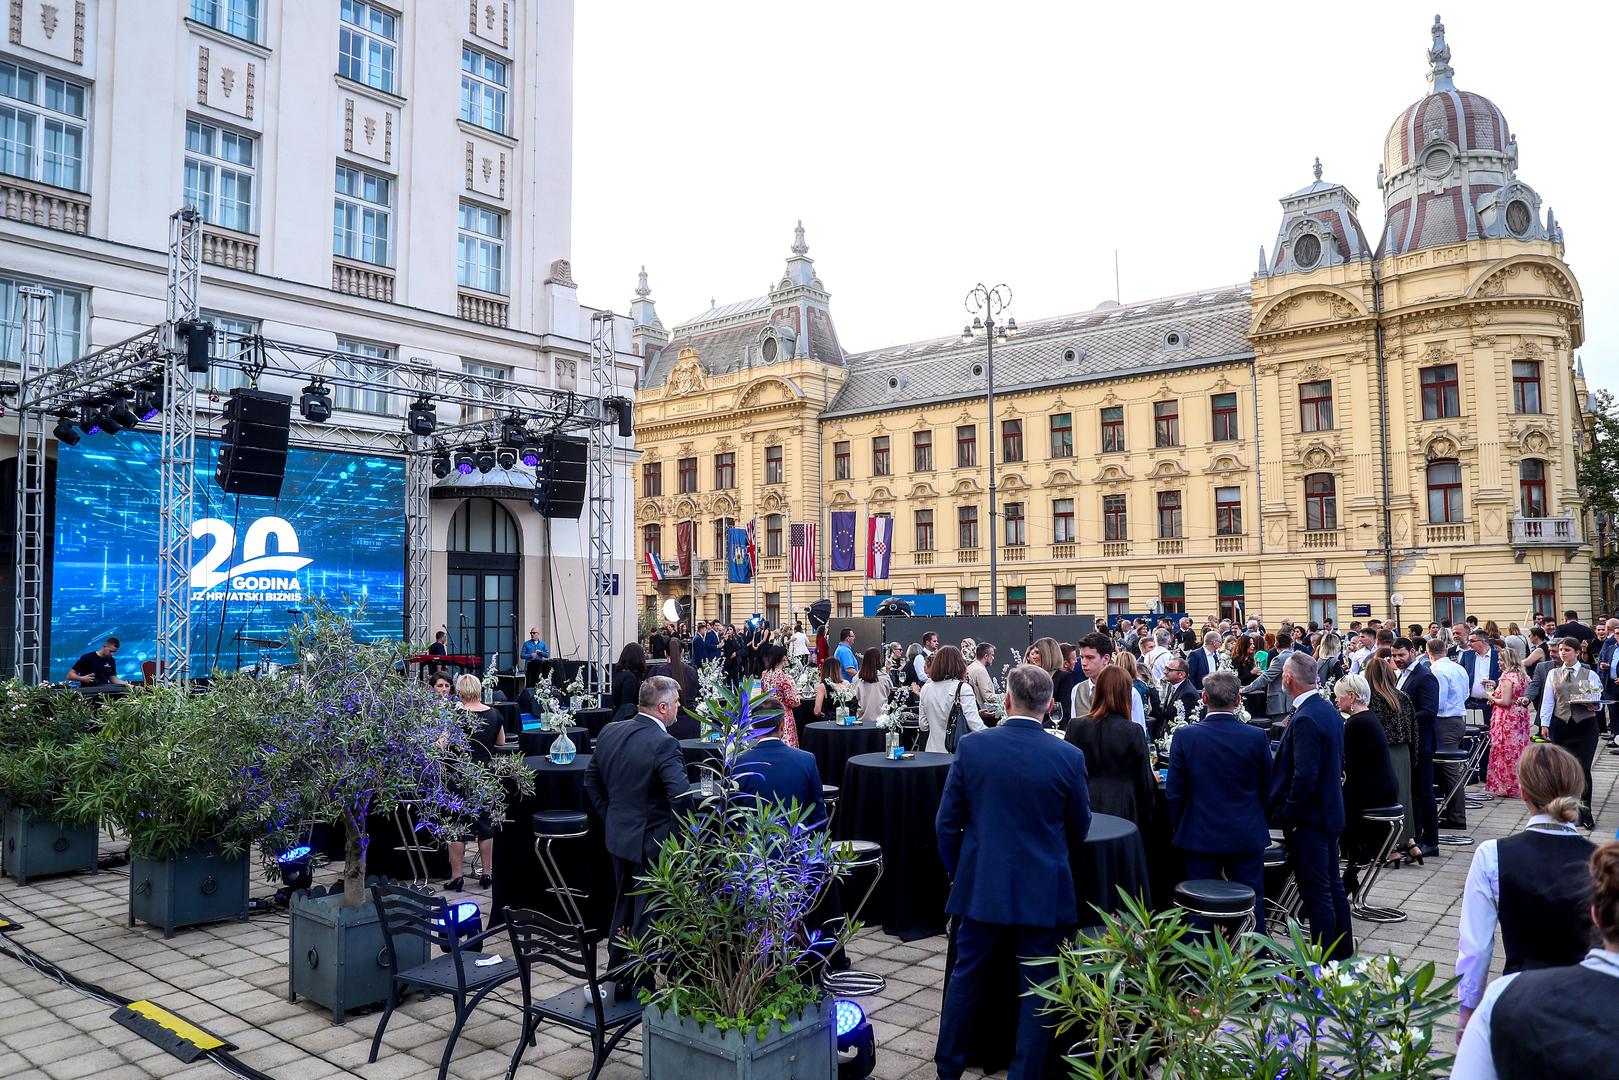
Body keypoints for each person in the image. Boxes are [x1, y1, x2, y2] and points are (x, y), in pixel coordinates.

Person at [935, 665, 1092, 1080]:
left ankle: (947, 1069)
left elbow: (946, 824)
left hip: (983, 886)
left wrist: (961, 872)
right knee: (1039, 989)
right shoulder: (1068, 756)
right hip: (1042, 889)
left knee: (965, 981)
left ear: (1006, 700)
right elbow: (1079, 827)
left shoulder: (974, 749)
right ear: (1051, 706)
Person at [1454, 743, 1597, 1039]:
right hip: (1586, 1009)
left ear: (1523, 792)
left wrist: (1468, 1009)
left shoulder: (1492, 855)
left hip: (1520, 1002)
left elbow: (1476, 946)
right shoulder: (1603, 863)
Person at [1453, 840, 1619, 1079]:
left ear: (1595, 913)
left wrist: (1469, 1005)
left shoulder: (1501, 997)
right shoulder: (1591, 854)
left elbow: (1476, 945)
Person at [584, 675, 691, 997]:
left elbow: (591, 781)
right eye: (675, 704)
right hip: (651, 843)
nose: (678, 709)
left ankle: (618, 971)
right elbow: (682, 798)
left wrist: (612, 816)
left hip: (620, 838)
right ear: (662, 707)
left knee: (625, 906)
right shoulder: (664, 743)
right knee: (646, 914)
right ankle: (639, 984)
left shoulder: (611, 731)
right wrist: (674, 838)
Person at [1166, 671, 1269, 927]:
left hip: (1200, 831)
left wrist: (1180, 824)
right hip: (1244, 830)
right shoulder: (1255, 737)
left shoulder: (1186, 736)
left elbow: (1175, 791)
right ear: (1238, 700)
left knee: (1199, 904)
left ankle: (1199, 960)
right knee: (1252, 901)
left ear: (1203, 698)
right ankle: (1253, 956)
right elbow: (1267, 785)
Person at [1270, 652, 1353, 960]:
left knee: (1318, 893)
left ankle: (1326, 961)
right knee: (1332, 887)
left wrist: (1289, 815)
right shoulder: (1328, 710)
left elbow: (1305, 775)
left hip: (1311, 819)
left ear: (1288, 678)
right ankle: (1342, 955)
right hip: (1328, 811)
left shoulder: (1306, 717)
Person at [1334, 673, 1399, 896]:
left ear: (1351, 697)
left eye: (1339, 697)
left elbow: (1344, 760)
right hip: (1379, 786)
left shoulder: (1357, 723)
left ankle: (1346, 871)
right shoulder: (1367, 719)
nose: (1336, 701)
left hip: (1372, 791)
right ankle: (1350, 873)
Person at [1526, 637, 1602, 830]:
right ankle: (1565, 811)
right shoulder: (1553, 673)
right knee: (1563, 770)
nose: (1562, 653)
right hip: (1561, 724)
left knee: (1583, 769)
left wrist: (1594, 705)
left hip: (1585, 725)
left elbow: (1598, 700)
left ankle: (1585, 812)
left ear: (1577, 652)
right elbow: (1548, 701)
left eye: (1567, 650)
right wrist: (1544, 724)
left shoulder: (1589, 673)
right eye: (1560, 650)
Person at [1065, 666, 1154, 828]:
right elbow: (1144, 780)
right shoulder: (1132, 731)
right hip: (1123, 806)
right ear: (1125, 694)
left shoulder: (1076, 726)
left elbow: (1068, 771)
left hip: (1085, 804)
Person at [446, 674, 504, 891]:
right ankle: (487, 873)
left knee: (456, 826)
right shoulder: (494, 714)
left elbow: (443, 743)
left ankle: (457, 876)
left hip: (458, 773)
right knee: (486, 826)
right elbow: (501, 742)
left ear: (459, 692)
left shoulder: (453, 715)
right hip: (484, 774)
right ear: (479, 690)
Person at [1365, 656, 1422, 865]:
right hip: (1403, 752)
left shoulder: (1372, 699)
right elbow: (1414, 730)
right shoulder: (1403, 697)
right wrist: (1413, 757)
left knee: (1385, 799)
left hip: (1383, 754)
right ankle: (1410, 842)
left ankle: (1390, 849)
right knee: (1403, 797)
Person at [735, 700, 827, 830]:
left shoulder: (739, 763)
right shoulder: (806, 760)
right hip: (797, 845)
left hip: (753, 845)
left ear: (753, 727)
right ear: (783, 725)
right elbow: (818, 814)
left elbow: (732, 816)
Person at [1393, 637, 1441, 856]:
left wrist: (1403, 717)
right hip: (1409, 742)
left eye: (1401, 655)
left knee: (1424, 792)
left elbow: (1430, 712)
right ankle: (1416, 837)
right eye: (1394, 656)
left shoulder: (1425, 676)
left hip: (1422, 743)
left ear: (1413, 652)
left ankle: (1431, 841)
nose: (1397, 659)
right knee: (1412, 793)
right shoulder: (1403, 675)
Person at [1428, 636, 1472, 830]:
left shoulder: (1437, 671)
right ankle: (1450, 810)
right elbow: (1466, 693)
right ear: (1446, 650)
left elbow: (1439, 701)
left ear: (1429, 653)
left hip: (1445, 720)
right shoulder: (1458, 667)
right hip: (1458, 718)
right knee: (1449, 770)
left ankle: (1457, 816)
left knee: (1450, 771)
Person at [1483, 648, 1531, 799]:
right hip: (1521, 716)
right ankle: (1522, 784)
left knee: (1505, 750)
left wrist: (1492, 699)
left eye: (1501, 660)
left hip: (1506, 718)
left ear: (1508, 661)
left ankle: (1507, 786)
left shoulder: (1506, 677)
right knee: (1520, 750)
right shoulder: (1522, 675)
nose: (1499, 663)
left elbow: (1505, 701)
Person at [919, 646, 984, 753]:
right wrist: (994, 735)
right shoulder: (963, 688)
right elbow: (974, 724)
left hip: (931, 752)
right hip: (955, 752)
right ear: (959, 664)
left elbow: (923, 725)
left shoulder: (926, 689)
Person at [756, 644, 802, 747]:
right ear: (783, 658)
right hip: (783, 714)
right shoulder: (784, 677)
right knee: (786, 742)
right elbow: (793, 701)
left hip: (768, 713)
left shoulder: (765, 675)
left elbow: (762, 696)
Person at [1242, 630, 1294, 719]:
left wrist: (1246, 689)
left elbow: (1266, 678)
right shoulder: (1296, 656)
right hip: (1292, 700)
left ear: (1275, 644)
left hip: (1280, 704)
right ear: (1290, 644)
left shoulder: (1279, 659)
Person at [1067, 632, 1113, 722]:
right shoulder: (1077, 690)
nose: (1083, 663)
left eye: (1090, 657)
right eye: (1082, 657)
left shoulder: (1128, 692)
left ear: (1106, 659)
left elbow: (1137, 732)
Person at [1461, 629, 1502, 728]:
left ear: (1483, 641)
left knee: (1490, 733)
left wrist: (1495, 683)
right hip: (1470, 703)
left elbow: (1507, 676)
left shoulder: (1498, 656)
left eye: (1472, 641)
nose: (1469, 644)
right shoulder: (1467, 655)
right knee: (1470, 735)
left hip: (1491, 703)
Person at [609, 642, 648, 724]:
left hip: (618, 716)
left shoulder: (620, 674)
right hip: (627, 719)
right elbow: (627, 705)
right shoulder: (630, 678)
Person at [855, 647, 892, 725]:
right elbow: (888, 692)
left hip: (862, 719)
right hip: (881, 720)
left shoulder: (857, 678)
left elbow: (855, 695)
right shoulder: (884, 677)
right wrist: (887, 671)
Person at [812, 657, 846, 725]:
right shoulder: (847, 684)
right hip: (846, 721)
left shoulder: (823, 686)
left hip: (830, 723)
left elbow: (817, 711)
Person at [964, 642, 997, 712]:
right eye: (992, 655)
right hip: (982, 715)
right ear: (986, 656)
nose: (993, 658)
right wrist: (1006, 696)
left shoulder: (970, 667)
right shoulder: (980, 670)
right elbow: (988, 697)